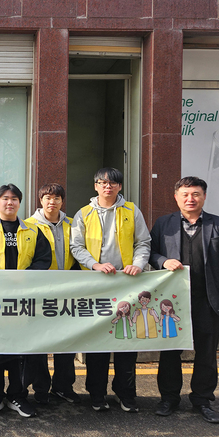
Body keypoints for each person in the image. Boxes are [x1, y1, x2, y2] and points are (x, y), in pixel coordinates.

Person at [149, 176, 219, 424]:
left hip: (207, 299)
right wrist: (163, 261)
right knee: (170, 352)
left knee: (206, 352)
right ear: (176, 197)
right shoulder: (163, 223)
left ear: (204, 196)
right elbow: (150, 252)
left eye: (196, 194)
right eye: (185, 194)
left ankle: (202, 400)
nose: (190, 199)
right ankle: (169, 398)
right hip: (172, 302)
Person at [70, 167, 151, 413]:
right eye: (102, 182)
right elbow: (76, 246)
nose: (108, 186)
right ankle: (97, 393)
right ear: (95, 186)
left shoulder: (132, 211)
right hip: (96, 286)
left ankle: (125, 393)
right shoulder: (83, 213)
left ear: (120, 186)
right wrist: (94, 264)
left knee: (126, 341)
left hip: (127, 285)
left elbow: (143, 242)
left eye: (112, 183)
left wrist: (137, 264)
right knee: (98, 344)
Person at [0, 184, 52, 419]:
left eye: (14, 199)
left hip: (22, 300)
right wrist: (1, 279)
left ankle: (17, 396)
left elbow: (43, 259)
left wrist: (24, 278)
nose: (10, 202)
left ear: (19, 203)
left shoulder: (33, 230)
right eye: (5, 198)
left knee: (21, 352)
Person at [24, 183, 81, 406]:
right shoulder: (28, 225)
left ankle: (63, 387)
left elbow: (79, 253)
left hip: (67, 291)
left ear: (62, 201)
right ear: (40, 200)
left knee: (66, 342)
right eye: (48, 197)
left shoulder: (73, 224)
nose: (52, 202)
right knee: (39, 343)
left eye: (57, 198)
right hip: (39, 293)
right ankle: (40, 388)